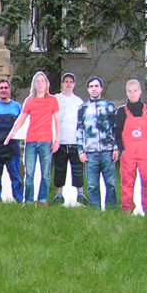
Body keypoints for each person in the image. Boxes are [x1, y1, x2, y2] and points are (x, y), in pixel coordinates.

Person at [4, 71, 60, 206]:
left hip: (46, 142)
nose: (40, 83)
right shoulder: (29, 100)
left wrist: (57, 140)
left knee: (45, 174)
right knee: (29, 174)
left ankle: (42, 199)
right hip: (31, 141)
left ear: (46, 83)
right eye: (37, 81)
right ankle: (28, 200)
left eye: (42, 81)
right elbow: (21, 119)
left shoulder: (52, 100)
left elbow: (57, 121)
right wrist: (12, 133)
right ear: (34, 84)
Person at [77, 76, 118, 209]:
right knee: (92, 185)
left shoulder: (109, 106)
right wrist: (81, 151)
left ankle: (111, 209)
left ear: (101, 88)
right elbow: (79, 131)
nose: (94, 89)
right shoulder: (83, 108)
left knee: (111, 183)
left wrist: (116, 148)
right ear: (88, 89)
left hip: (107, 151)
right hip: (90, 152)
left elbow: (115, 128)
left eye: (96, 86)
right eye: (91, 86)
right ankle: (95, 209)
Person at [116, 79, 147, 214]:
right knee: (127, 182)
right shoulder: (122, 111)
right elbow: (117, 133)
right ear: (126, 93)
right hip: (129, 153)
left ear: (140, 91)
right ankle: (127, 208)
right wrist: (121, 149)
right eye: (129, 91)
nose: (132, 93)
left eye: (135, 90)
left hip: (145, 152)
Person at [0, 78, 23, 202]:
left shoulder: (16, 107)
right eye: (1, 88)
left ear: (9, 90)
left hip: (12, 148)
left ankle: (19, 200)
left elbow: (20, 125)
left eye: (6, 88)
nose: (3, 90)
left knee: (15, 177)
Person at [51, 72, 87, 205]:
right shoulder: (56, 99)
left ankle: (80, 194)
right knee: (59, 169)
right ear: (62, 84)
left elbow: (83, 122)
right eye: (66, 81)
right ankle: (59, 195)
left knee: (77, 169)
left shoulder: (79, 101)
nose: (68, 84)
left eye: (71, 82)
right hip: (60, 141)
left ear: (74, 84)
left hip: (75, 141)